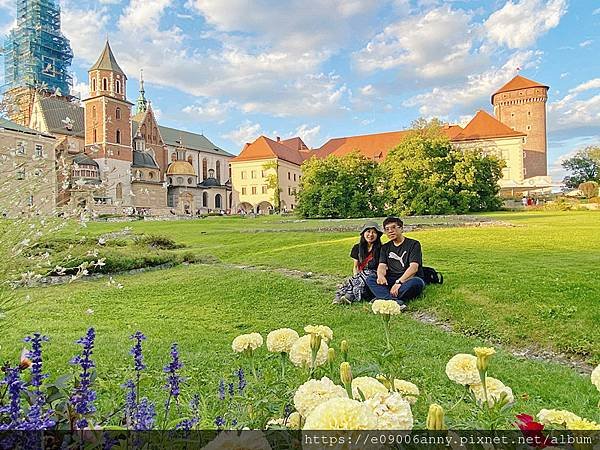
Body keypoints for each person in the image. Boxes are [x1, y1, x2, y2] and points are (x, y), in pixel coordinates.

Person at [366, 216, 425, 309]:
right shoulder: (385, 247)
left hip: (408, 279)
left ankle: (382, 297)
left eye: (394, 227)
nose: (390, 231)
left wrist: (399, 283)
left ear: (401, 229)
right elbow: (382, 265)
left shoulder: (414, 244)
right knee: (371, 279)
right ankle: (394, 302)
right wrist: (380, 276)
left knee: (417, 282)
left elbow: (414, 268)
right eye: (387, 229)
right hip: (391, 278)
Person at [333, 222, 383, 305]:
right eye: (368, 231)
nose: (371, 234)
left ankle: (348, 296)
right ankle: (344, 296)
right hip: (361, 274)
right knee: (355, 280)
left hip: (375, 274)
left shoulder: (381, 248)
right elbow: (355, 267)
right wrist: (356, 277)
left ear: (377, 235)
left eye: (373, 232)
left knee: (365, 275)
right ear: (363, 233)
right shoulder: (357, 248)